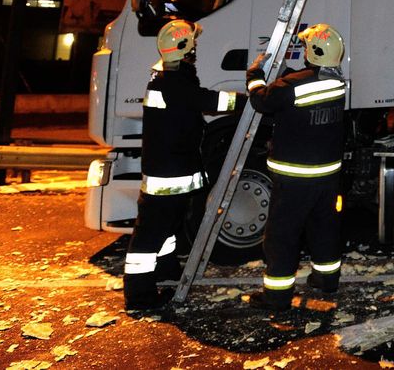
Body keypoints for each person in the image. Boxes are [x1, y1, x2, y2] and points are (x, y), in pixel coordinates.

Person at [124, 19, 239, 313]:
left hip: (171, 169)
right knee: (149, 237)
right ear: (182, 47)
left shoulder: (168, 75)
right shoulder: (173, 81)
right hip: (167, 173)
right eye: (193, 43)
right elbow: (211, 101)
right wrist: (250, 99)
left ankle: (165, 271)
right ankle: (139, 297)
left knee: (167, 229)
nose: (196, 48)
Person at [246, 24, 348, 313]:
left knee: (282, 235)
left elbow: (261, 101)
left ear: (312, 52)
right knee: (324, 229)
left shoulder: (291, 86)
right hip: (327, 176)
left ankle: (277, 298)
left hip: (295, 178)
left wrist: (254, 75)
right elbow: (301, 87)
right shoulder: (337, 83)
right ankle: (326, 281)